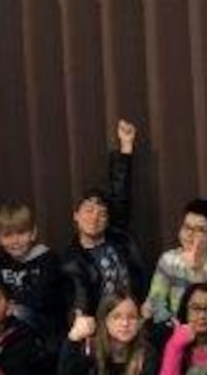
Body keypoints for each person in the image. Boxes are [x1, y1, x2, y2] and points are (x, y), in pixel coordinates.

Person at [58, 119, 148, 320]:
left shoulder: (119, 238)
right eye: (88, 211)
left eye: (102, 213)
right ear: (76, 215)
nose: (95, 217)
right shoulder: (72, 259)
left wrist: (126, 147)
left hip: (135, 318)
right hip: (100, 327)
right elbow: (78, 301)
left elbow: (120, 194)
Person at [0, 202, 70, 349]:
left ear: (33, 233)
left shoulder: (48, 259)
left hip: (45, 329)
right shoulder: (0, 260)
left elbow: (39, 300)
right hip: (9, 321)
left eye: (21, 233)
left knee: (16, 311)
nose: (15, 241)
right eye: (7, 235)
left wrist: (4, 308)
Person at [147, 198, 207, 323]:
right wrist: (172, 325)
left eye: (199, 230)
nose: (190, 234)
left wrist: (197, 271)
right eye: (187, 227)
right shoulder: (168, 259)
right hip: (172, 325)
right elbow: (156, 301)